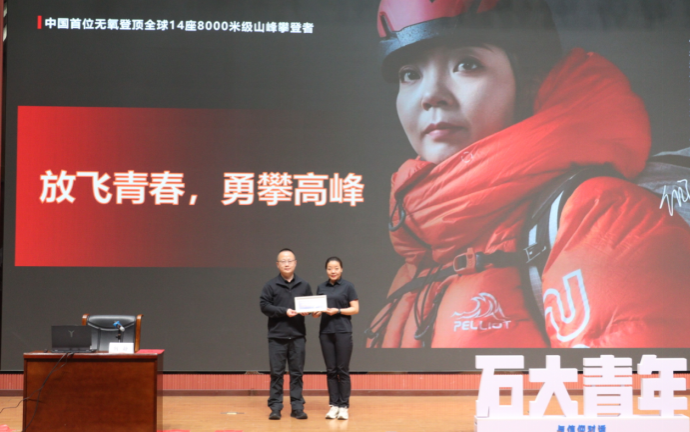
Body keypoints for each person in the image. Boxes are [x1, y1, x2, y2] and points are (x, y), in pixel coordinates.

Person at [366, 0, 690, 349]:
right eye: (410, 74)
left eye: (467, 64)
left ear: (529, 83)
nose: (430, 95)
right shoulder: (428, 245)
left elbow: (638, 383)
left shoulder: (599, 218)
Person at [259, 248, 312, 420]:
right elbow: (264, 306)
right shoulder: (270, 285)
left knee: (297, 374)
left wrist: (310, 311)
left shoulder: (304, 285)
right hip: (277, 337)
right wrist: (284, 311)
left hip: (297, 336)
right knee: (276, 374)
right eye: (283, 261)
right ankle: (275, 407)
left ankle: (297, 407)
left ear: (295, 263)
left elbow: (310, 305)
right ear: (277, 264)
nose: (287, 264)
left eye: (290, 260)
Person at [312, 257, 359, 420]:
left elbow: (355, 309)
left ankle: (344, 406)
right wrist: (315, 312)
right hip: (326, 333)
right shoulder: (321, 287)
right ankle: (334, 405)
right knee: (331, 370)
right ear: (326, 270)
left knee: (342, 370)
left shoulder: (348, 286)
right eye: (330, 268)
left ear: (341, 269)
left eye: (336, 268)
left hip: (343, 332)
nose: (333, 271)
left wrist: (337, 311)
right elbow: (317, 312)